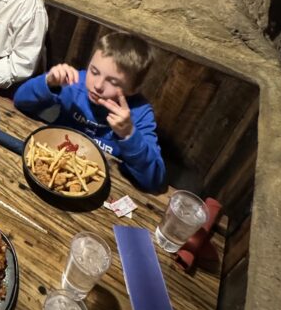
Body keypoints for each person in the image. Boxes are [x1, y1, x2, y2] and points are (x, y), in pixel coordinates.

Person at [13, 31, 166, 192]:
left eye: (113, 82)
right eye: (94, 71)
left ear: (133, 89)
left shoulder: (139, 112)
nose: (98, 85)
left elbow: (155, 180)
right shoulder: (74, 83)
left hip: (100, 184)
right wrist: (48, 83)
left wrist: (129, 134)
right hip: (51, 166)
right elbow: (20, 101)